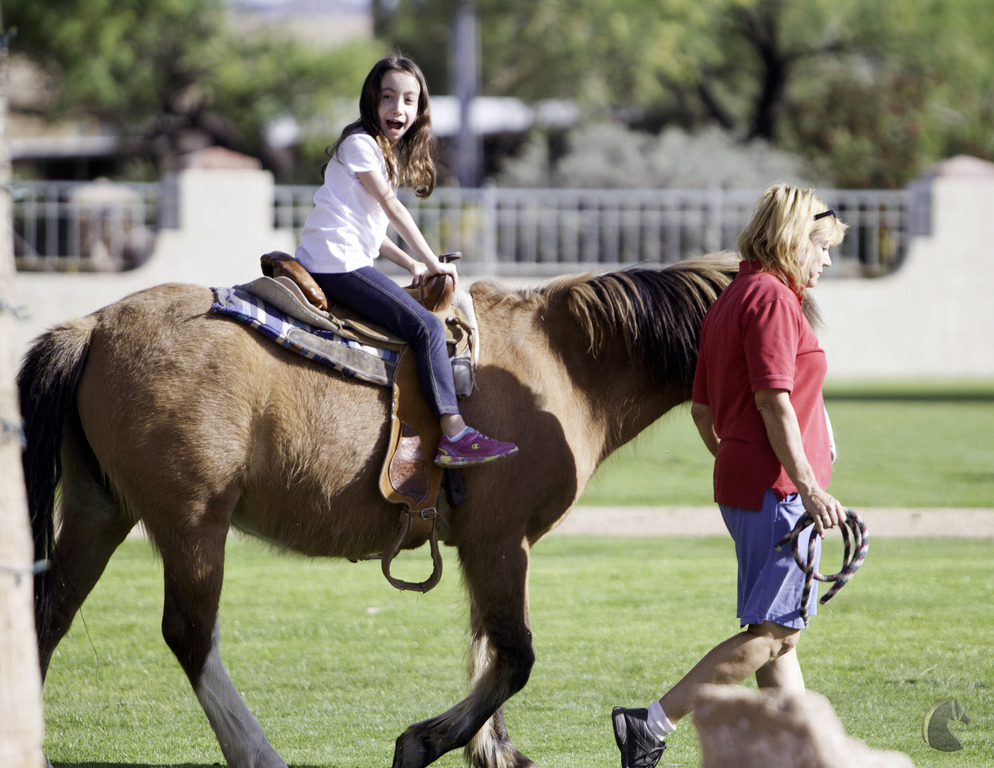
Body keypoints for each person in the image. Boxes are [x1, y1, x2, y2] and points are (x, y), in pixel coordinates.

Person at [611, 184, 849, 768]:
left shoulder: (732, 296)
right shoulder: (770, 299)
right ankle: (651, 723)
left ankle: (803, 751)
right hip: (778, 490)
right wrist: (808, 485)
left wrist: (737, 460)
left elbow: (703, 410)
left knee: (779, 634)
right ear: (794, 240)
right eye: (821, 247)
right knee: (772, 631)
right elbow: (774, 400)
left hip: (754, 485)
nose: (826, 260)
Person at [294, 56, 518, 468]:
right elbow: (391, 208)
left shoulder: (382, 154)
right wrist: (432, 262)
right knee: (428, 326)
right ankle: (454, 433)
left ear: (419, 110)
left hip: (340, 258)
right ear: (372, 102)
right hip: (335, 265)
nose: (398, 108)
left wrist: (411, 265)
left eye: (409, 100)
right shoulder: (360, 144)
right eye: (388, 97)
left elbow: (371, 231)